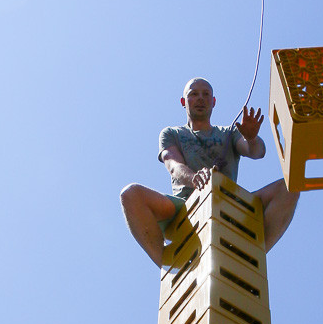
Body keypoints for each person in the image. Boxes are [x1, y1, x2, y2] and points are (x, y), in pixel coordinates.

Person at [121, 77, 299, 266]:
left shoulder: (229, 133)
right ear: (183, 102)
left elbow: (256, 152)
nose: (200, 99)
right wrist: (194, 178)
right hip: (186, 207)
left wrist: (252, 138)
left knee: (290, 187)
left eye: (206, 94)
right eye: (194, 94)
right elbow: (173, 164)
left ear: (214, 102)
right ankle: (168, 264)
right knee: (131, 194)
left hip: (230, 203)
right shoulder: (171, 133)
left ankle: (252, 257)